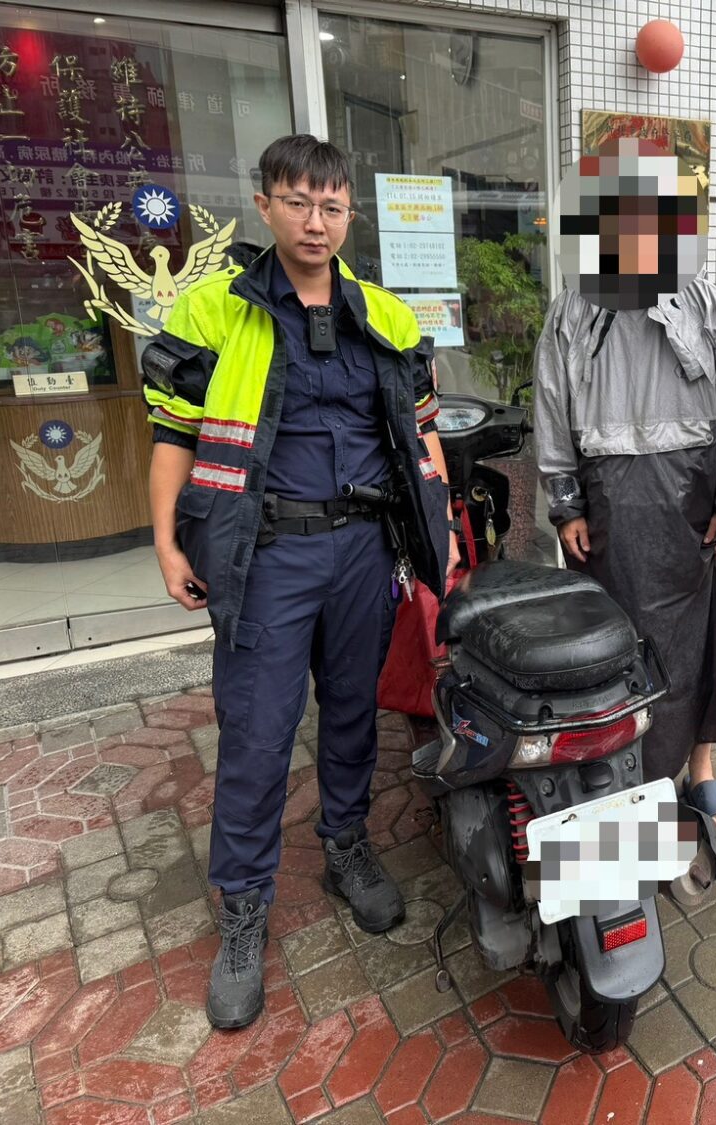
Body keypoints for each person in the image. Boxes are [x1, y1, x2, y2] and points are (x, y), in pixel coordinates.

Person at [143, 135, 457, 1030]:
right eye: (297, 202)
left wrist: (440, 533)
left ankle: (346, 846)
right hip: (265, 555)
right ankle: (244, 908)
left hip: (362, 550)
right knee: (257, 729)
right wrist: (166, 544)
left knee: (353, 712)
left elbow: (424, 431)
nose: (315, 222)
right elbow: (173, 435)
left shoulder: (385, 315)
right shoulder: (214, 309)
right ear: (265, 205)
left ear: (349, 213)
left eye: (331, 206)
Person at [533, 138, 716, 841]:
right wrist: (565, 502)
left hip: (691, 503)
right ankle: (617, 785)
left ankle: (698, 770)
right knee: (607, 645)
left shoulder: (702, 301)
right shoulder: (572, 308)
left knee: (696, 642)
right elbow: (550, 405)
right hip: (605, 507)